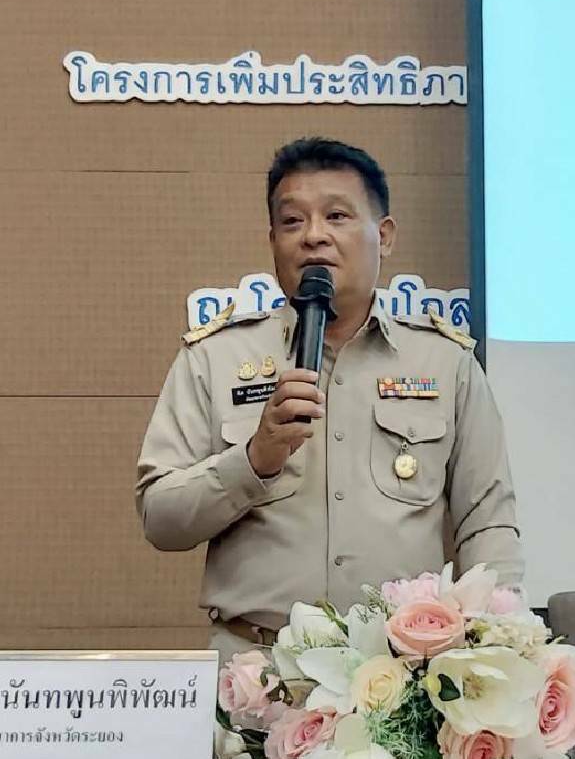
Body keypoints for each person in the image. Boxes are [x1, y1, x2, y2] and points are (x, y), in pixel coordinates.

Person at [135, 137, 524, 662]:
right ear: (273, 241)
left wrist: (493, 645)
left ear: (384, 236)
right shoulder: (215, 357)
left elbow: (488, 522)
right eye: (292, 221)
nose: (313, 236)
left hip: (404, 675)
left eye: (337, 216)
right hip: (258, 671)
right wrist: (254, 460)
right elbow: (161, 518)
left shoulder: (445, 362)